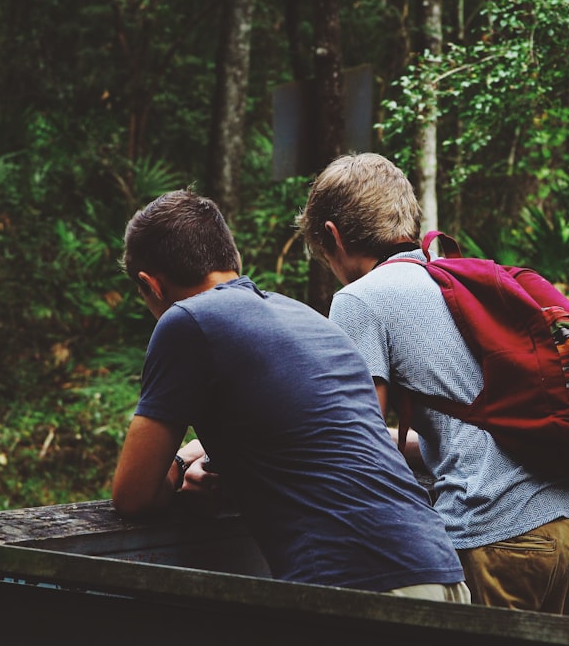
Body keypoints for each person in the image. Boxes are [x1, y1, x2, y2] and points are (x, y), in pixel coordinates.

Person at [111, 189, 469, 602]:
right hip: (440, 570)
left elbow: (133, 495)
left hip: (360, 582)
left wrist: (176, 467)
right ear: (233, 261)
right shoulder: (309, 319)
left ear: (150, 285)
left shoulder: (187, 321)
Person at [296, 153, 569, 614]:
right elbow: (474, 425)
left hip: (499, 531)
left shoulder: (359, 299)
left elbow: (355, 441)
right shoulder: (459, 282)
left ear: (332, 236)